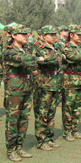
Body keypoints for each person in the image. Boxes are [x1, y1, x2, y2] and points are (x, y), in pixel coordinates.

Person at [4, 25, 44, 161]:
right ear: (13, 36)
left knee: (24, 120)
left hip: (27, 87)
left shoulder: (26, 48)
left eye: (27, 34)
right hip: (15, 89)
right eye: (22, 34)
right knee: (13, 120)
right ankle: (11, 150)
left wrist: (34, 62)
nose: (26, 36)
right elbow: (25, 60)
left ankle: (19, 147)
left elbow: (31, 65)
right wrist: (38, 59)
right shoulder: (9, 51)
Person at [32, 26, 63, 151]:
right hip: (43, 84)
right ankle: (41, 140)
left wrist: (52, 60)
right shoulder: (39, 49)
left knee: (51, 113)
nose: (54, 36)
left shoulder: (56, 48)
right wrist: (52, 60)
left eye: (55, 34)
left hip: (54, 84)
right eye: (50, 34)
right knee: (42, 114)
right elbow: (36, 62)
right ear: (44, 36)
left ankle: (49, 138)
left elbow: (60, 60)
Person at [62, 25, 81, 141]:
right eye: (78, 35)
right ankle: (67, 132)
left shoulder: (80, 47)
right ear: (71, 35)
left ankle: (74, 130)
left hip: (80, 79)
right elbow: (73, 57)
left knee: (77, 107)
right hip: (70, 79)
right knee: (68, 107)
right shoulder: (66, 47)